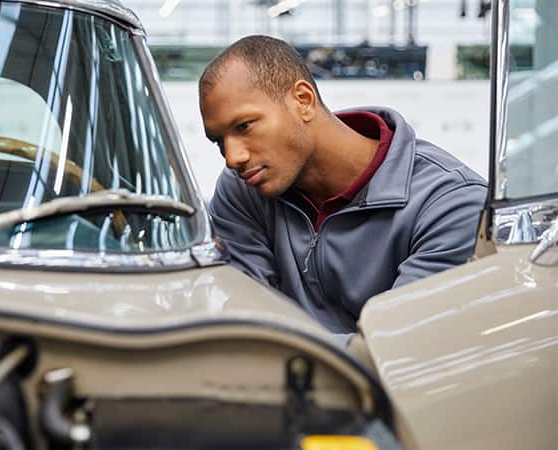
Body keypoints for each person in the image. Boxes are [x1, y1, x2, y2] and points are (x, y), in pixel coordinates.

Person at [199, 35, 487, 334]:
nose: (233, 158)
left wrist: (273, 346)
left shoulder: (453, 205)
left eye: (244, 126)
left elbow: (394, 349)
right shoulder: (242, 190)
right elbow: (239, 326)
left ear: (303, 100)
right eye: (219, 141)